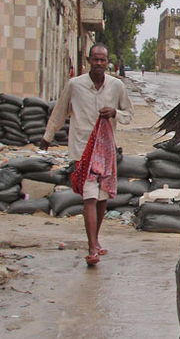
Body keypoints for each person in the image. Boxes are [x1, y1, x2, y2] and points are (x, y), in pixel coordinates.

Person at [40, 43, 133, 266]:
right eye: (95, 59)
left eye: (103, 60)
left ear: (108, 62)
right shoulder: (75, 85)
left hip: (106, 150)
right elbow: (60, 111)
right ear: (88, 61)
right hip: (82, 149)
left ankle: (95, 239)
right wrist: (47, 136)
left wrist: (115, 113)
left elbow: (129, 114)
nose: (99, 63)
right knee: (89, 197)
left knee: (102, 199)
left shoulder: (116, 86)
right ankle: (92, 247)